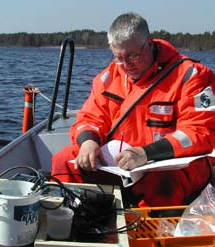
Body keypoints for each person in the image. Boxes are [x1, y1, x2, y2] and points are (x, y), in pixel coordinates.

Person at [51, 12, 215, 207]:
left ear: (150, 43)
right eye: (119, 57)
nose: (126, 65)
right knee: (64, 161)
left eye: (133, 56)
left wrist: (146, 153)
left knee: (161, 184)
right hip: (121, 165)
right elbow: (90, 117)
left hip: (170, 163)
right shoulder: (110, 77)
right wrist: (88, 142)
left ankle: (146, 234)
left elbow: (200, 132)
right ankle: (75, 220)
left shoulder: (191, 76)